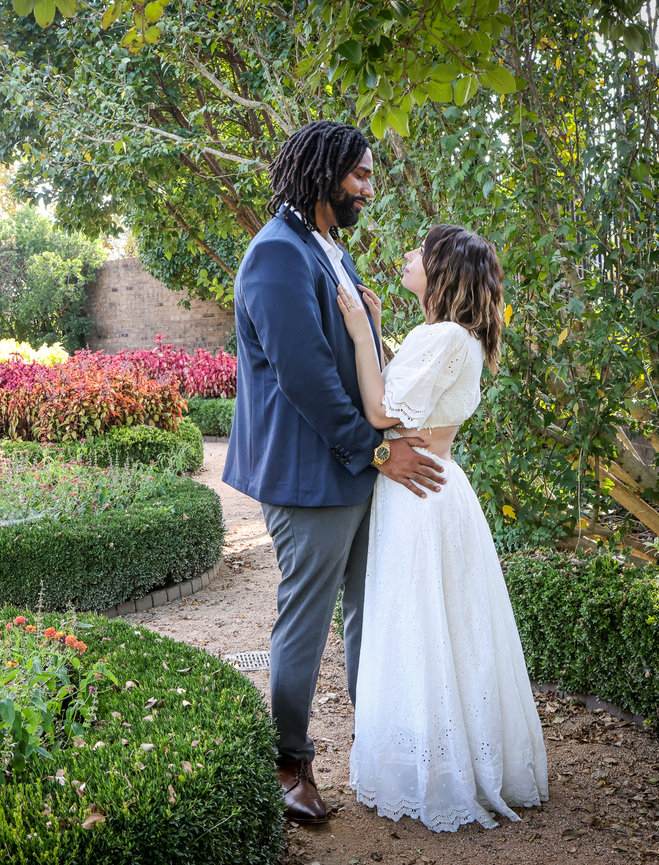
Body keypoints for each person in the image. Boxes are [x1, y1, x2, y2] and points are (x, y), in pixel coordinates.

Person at [222, 120, 446, 824]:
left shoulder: (327, 249)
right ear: (322, 174)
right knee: (306, 622)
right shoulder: (275, 258)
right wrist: (379, 451)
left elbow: (356, 360)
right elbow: (307, 380)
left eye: (368, 176)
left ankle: (375, 747)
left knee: (367, 615)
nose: (367, 190)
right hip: (307, 477)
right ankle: (287, 760)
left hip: (353, 467)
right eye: (359, 176)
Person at [337, 224, 548, 831]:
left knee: (419, 624)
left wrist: (358, 332)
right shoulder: (456, 337)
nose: (407, 256)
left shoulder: (443, 337)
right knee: (447, 628)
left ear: (443, 270)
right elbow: (403, 403)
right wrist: (377, 337)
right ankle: (444, 756)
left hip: (416, 494)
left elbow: (382, 412)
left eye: (419, 252)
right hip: (438, 486)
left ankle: (434, 768)